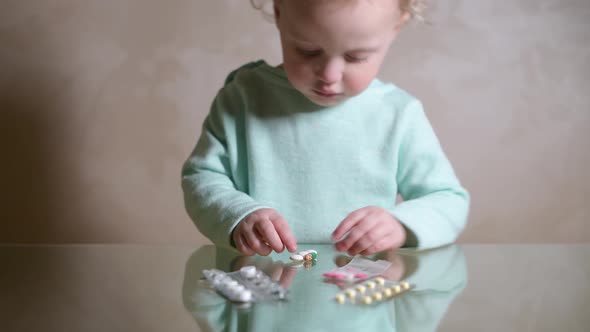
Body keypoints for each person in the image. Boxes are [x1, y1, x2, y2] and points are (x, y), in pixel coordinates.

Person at [181, 0, 469, 257]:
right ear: (279, 12)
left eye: (356, 57)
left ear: (396, 27)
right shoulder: (242, 98)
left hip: (360, 298)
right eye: (308, 51)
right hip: (259, 288)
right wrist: (238, 215)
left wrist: (401, 225)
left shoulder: (399, 113)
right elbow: (202, 178)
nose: (329, 76)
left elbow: (448, 200)